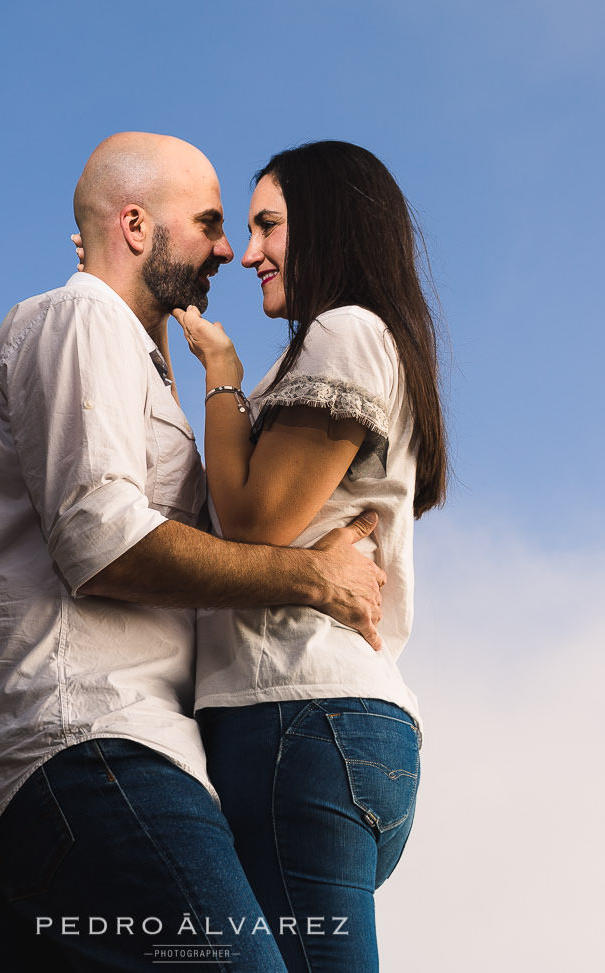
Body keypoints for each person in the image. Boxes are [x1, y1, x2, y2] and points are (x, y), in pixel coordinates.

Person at [0, 132, 390, 973]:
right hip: (91, 741)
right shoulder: (80, 318)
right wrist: (311, 577)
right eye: (212, 223)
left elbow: (174, 540)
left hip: (62, 764)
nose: (228, 249)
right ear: (137, 225)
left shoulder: (130, 358)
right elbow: (101, 540)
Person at [175, 140, 447, 973]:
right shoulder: (340, 345)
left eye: (269, 226)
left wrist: (220, 374)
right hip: (329, 725)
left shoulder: (346, 332)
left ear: (328, 224)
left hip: (298, 712)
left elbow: (253, 518)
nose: (251, 251)